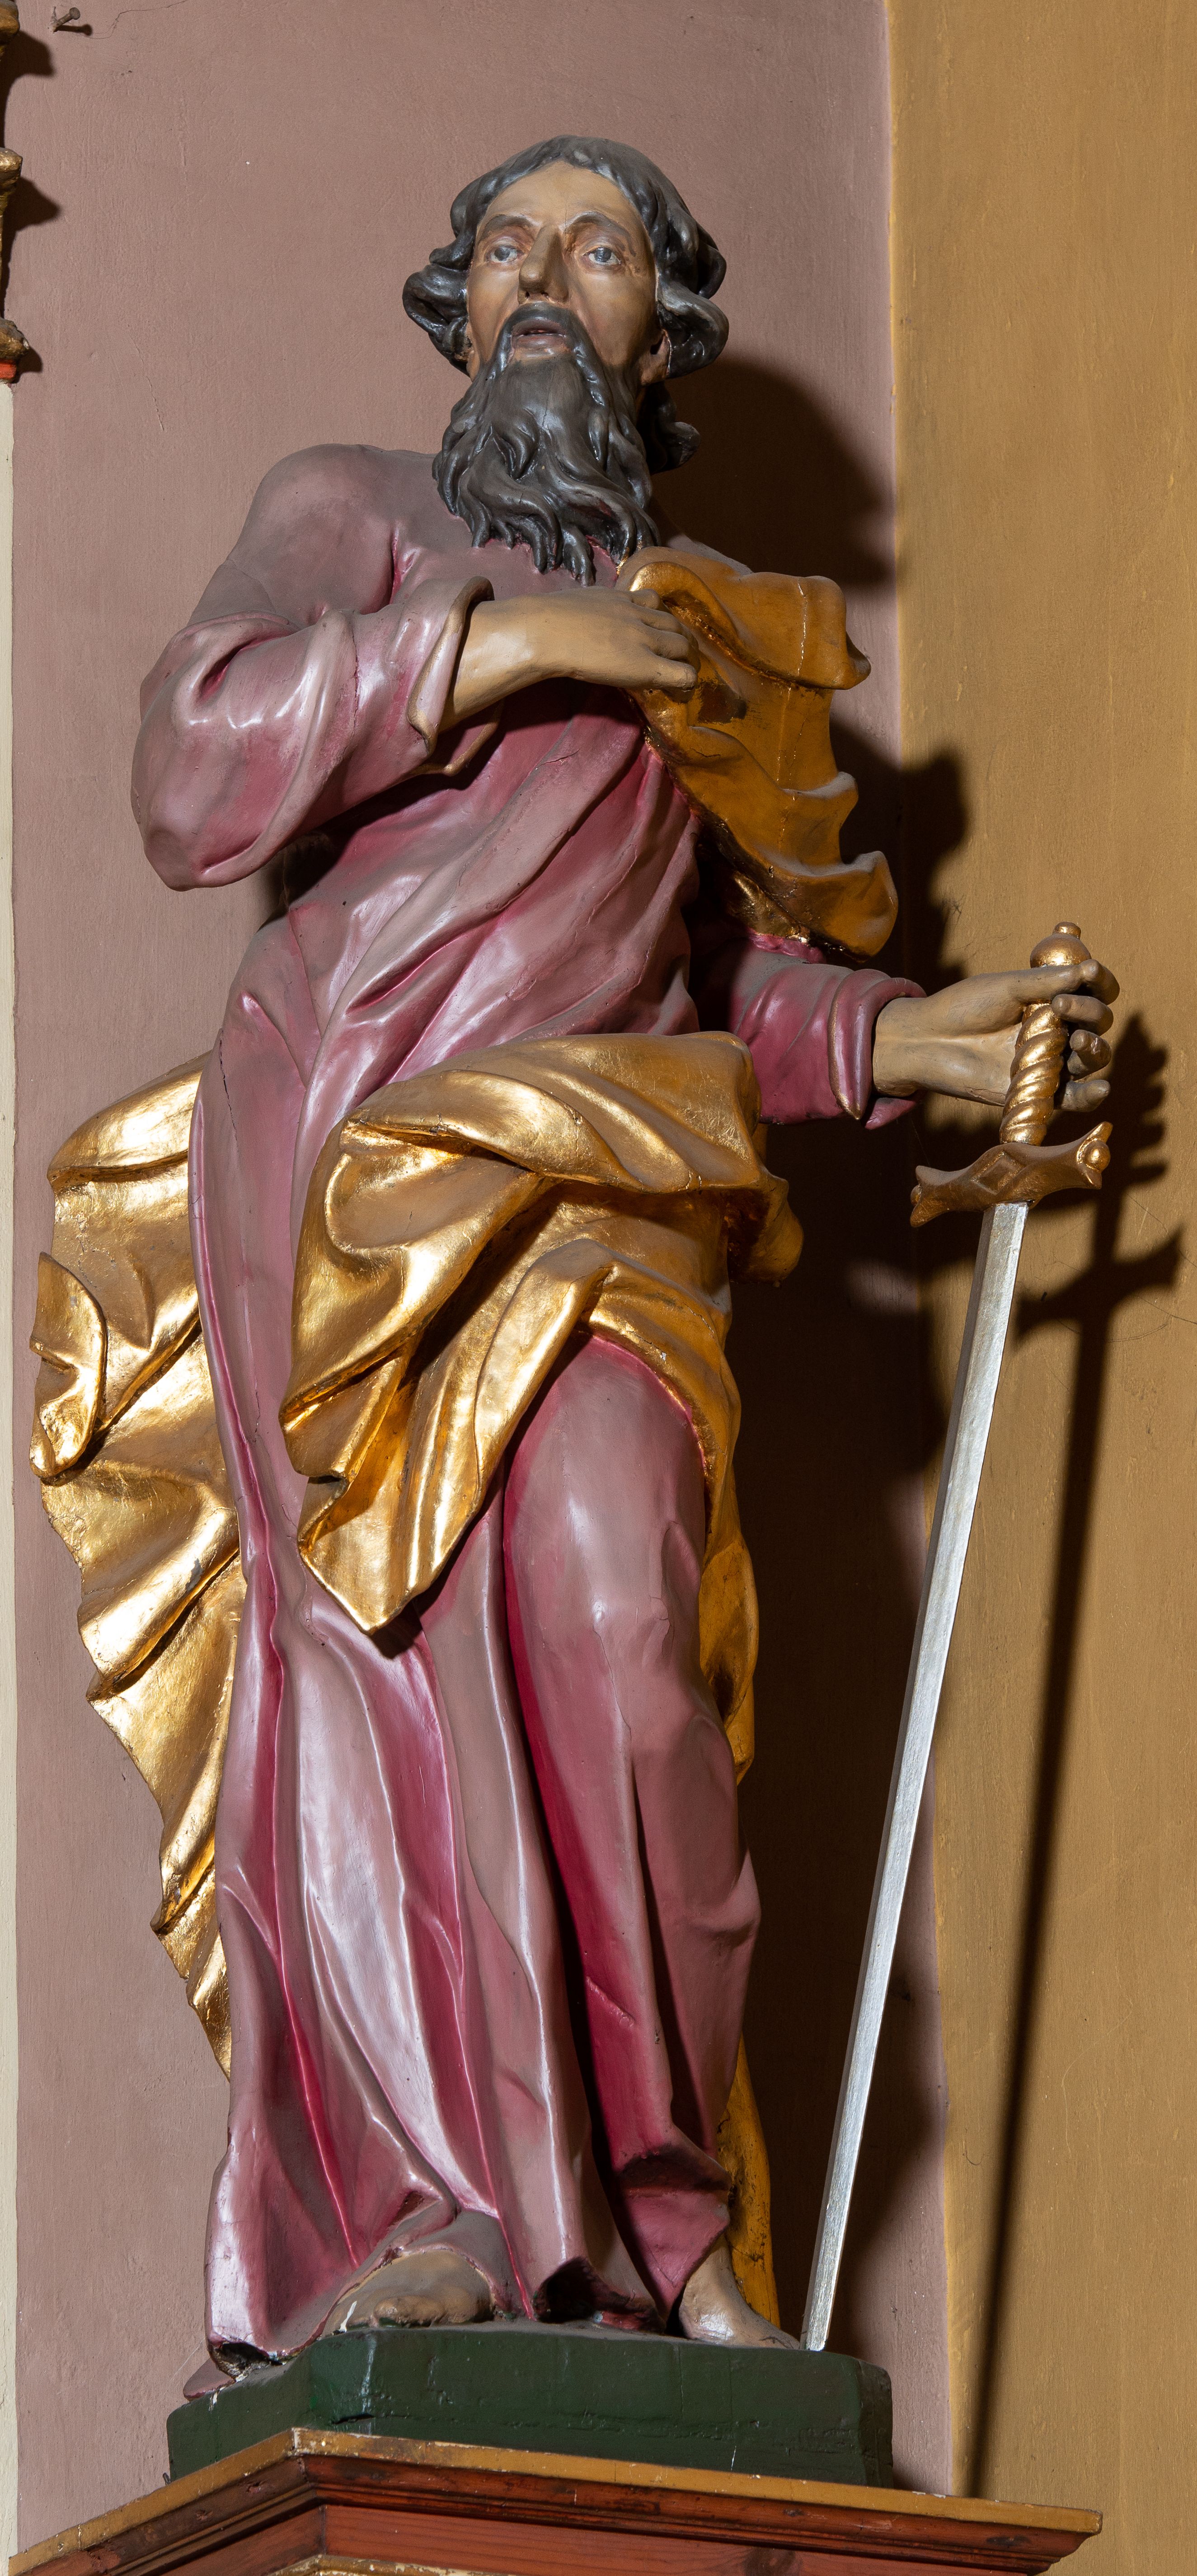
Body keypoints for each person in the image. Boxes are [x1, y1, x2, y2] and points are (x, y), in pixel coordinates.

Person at [122, 137, 1116, 2370]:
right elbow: (191, 769)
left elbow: (706, 975)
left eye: (596, 250)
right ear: (457, 310)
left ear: (667, 328)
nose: (543, 281)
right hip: (355, 1177)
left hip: (615, 1197)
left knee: (620, 1633)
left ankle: (667, 2226)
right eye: (505, 250)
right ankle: (437, 2211)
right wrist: (498, 644)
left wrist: (907, 1042)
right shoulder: (359, 508)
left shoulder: (725, 636)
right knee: (385, 1672)